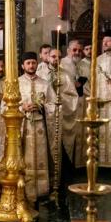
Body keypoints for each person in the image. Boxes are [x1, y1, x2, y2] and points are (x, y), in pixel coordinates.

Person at [87, 30, 111, 168]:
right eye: (103, 41)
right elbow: (92, 81)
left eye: (108, 41)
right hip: (101, 103)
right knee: (101, 133)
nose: (104, 43)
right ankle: (101, 164)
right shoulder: (98, 60)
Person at [18, 51, 51, 200]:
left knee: (41, 156)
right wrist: (22, 108)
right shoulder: (16, 83)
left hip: (40, 127)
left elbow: (54, 105)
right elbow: (5, 106)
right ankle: (23, 189)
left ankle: (41, 190)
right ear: (22, 65)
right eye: (28, 63)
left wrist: (42, 107)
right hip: (23, 127)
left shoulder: (45, 83)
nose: (31, 65)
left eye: (33, 63)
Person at [42, 47, 78, 176]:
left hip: (59, 114)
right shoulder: (40, 73)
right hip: (44, 115)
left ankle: (60, 174)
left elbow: (73, 96)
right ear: (47, 57)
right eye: (53, 56)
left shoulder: (65, 74)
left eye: (59, 57)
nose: (56, 59)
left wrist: (59, 99)